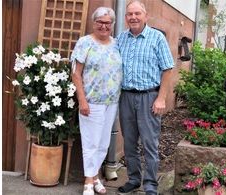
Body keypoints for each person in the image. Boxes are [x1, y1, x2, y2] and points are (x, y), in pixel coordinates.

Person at [116, 1, 174, 194]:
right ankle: (133, 179)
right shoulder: (120, 39)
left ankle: (150, 184)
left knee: (150, 143)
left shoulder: (156, 38)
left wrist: (161, 98)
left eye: (137, 13)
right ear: (126, 18)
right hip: (126, 97)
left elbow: (167, 69)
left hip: (149, 97)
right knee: (129, 142)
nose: (133, 17)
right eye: (130, 14)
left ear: (145, 16)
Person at [70, 7, 122, 195]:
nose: (104, 26)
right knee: (91, 143)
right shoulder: (85, 43)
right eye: (100, 21)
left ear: (112, 25)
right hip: (91, 102)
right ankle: (87, 182)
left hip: (112, 102)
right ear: (94, 23)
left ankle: (95, 177)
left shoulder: (116, 44)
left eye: (108, 22)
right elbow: (76, 74)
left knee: (103, 144)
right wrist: (82, 100)